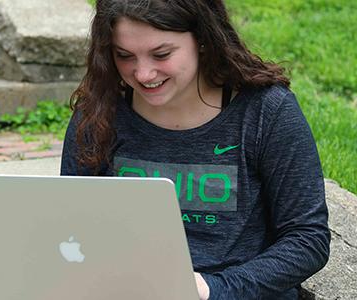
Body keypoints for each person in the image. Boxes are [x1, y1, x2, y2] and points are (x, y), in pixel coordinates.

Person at [60, 0, 330, 299]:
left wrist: (212, 289)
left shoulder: (266, 110)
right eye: (124, 56)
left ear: (203, 39)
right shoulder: (99, 112)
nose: (143, 74)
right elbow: (73, 225)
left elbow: (308, 239)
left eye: (161, 54)